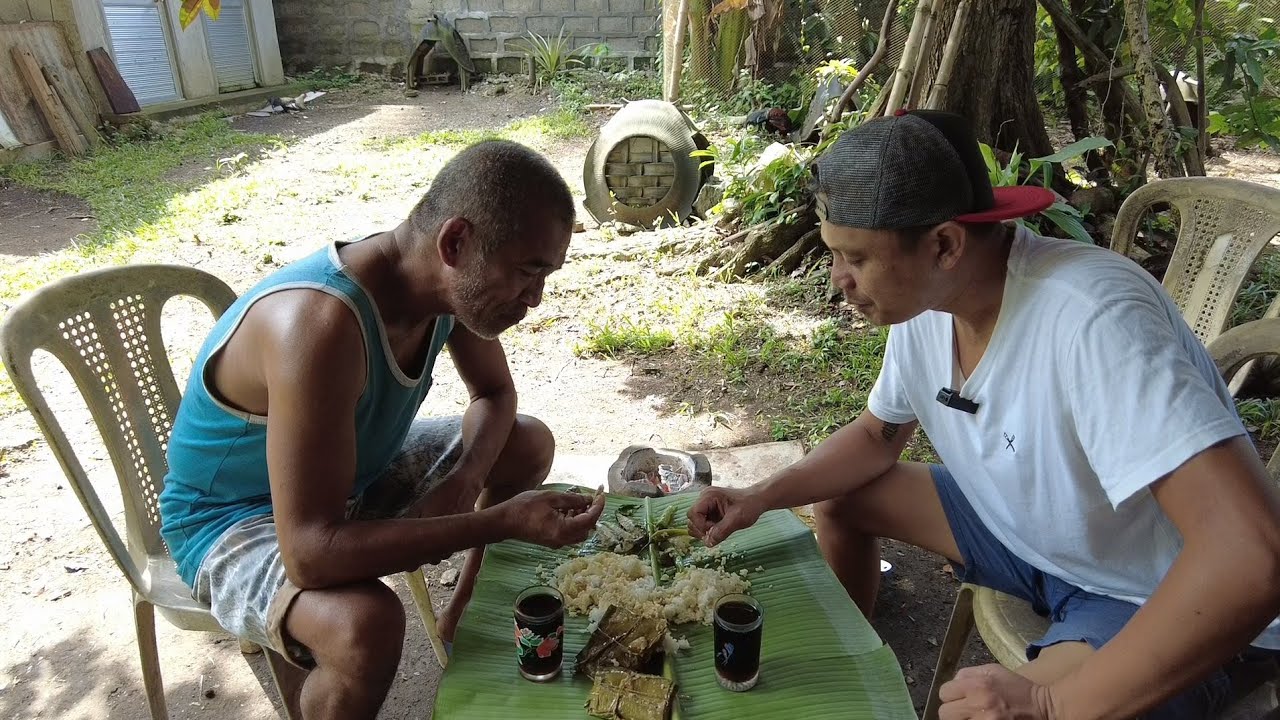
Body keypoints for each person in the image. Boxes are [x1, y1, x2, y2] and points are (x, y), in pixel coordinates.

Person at [687, 110, 1280, 719]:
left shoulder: (1095, 321)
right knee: (846, 497)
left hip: (1141, 587)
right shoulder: (926, 304)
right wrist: (761, 496)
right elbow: (875, 437)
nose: (839, 280)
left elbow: (1250, 556)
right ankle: (854, 676)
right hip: (1030, 531)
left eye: (856, 258)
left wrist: (1048, 702)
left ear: (945, 243)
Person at [158, 140, 604, 719]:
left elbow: (495, 395)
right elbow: (311, 554)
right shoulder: (319, 326)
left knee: (524, 441)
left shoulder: (444, 288)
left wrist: (466, 481)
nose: (535, 299)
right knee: (365, 626)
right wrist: (491, 523)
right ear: (456, 242)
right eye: (526, 273)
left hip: (348, 478)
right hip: (231, 519)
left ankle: (460, 618)